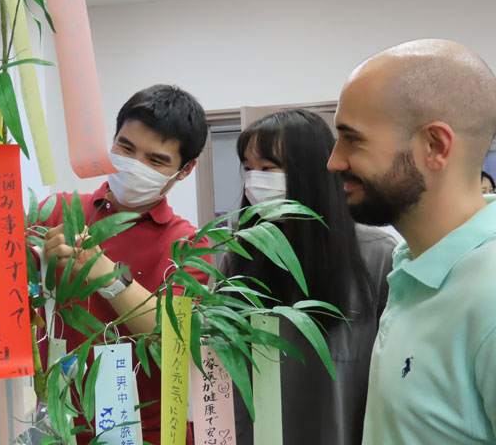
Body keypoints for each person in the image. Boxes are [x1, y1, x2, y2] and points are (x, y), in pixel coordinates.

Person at [327, 39, 496, 444]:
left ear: (435, 146)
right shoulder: (411, 264)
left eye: (353, 139)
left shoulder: (489, 293)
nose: (334, 160)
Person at [37, 84, 210, 444]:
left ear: (185, 169)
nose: (135, 166)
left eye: (156, 160)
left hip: (153, 432)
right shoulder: (57, 212)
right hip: (63, 428)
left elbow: (172, 339)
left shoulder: (188, 244)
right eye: (125, 148)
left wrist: (105, 274)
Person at [225, 110, 396, 445]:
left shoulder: (376, 254)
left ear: (311, 172)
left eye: (268, 168)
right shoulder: (242, 254)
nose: (253, 181)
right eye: (248, 168)